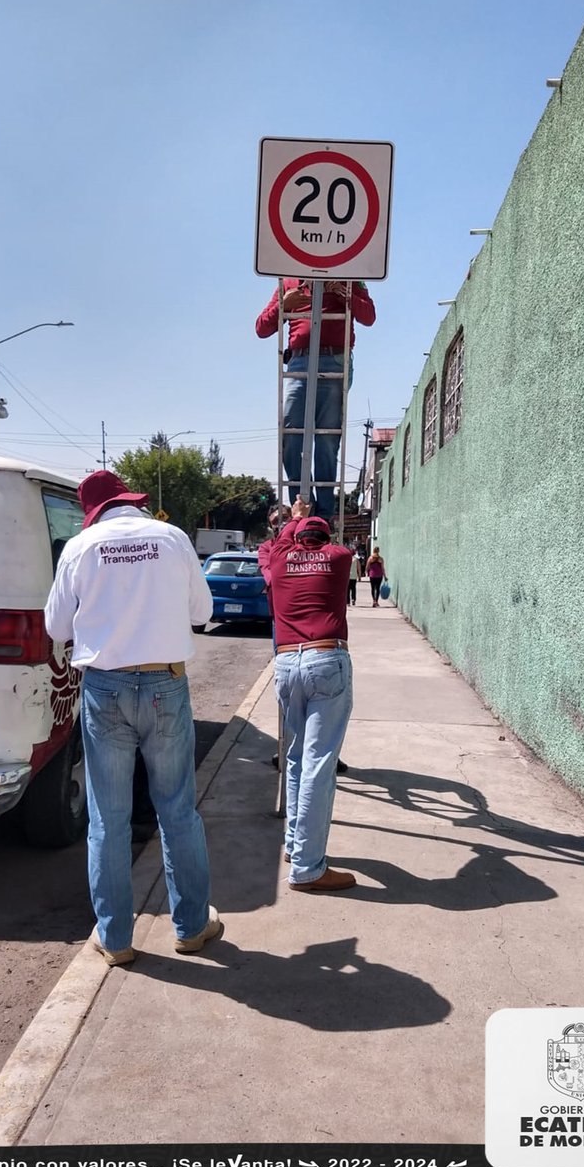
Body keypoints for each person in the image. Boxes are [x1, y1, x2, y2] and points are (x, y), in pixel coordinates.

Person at [44, 470, 221, 966]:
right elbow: (201, 612)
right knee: (177, 808)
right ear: (130, 502)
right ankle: (189, 927)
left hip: (105, 686)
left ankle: (116, 938)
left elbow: (56, 625)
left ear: (93, 511)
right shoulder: (172, 537)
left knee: (108, 817)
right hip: (165, 682)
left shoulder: (80, 547)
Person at [259, 497, 355, 891]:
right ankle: (308, 867)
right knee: (318, 763)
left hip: (286, 665)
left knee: (296, 758)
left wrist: (291, 523)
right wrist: (305, 523)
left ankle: (295, 845)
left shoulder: (278, 559)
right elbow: (334, 545)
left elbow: (273, 546)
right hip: (325, 659)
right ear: (326, 536)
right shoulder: (338, 557)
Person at [256, 278, 376, 522]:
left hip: (335, 361)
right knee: (290, 436)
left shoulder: (348, 277)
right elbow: (261, 328)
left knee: (327, 440)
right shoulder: (288, 281)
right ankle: (302, 504)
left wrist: (343, 293)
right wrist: (283, 304)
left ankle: (323, 514)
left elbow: (369, 316)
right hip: (298, 362)